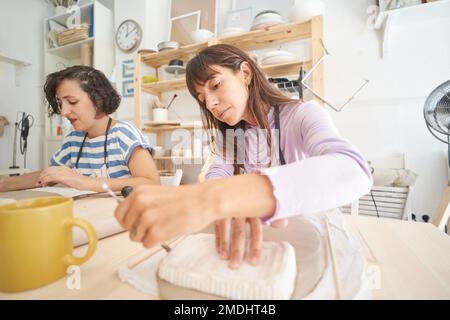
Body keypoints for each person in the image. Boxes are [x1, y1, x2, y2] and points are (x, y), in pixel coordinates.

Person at [114, 44, 373, 269]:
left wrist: (220, 198)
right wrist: (219, 198)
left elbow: (353, 170)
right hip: (266, 239)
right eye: (202, 99)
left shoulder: (303, 114)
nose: (211, 104)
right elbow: (219, 171)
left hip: (312, 239)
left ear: (245, 73)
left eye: (216, 85)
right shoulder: (233, 135)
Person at [0, 65, 159, 192]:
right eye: (61, 104)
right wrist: (5, 184)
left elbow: (151, 182)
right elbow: (49, 175)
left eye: (73, 102)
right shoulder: (73, 139)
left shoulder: (124, 135)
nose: (63, 112)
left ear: (99, 100)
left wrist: (86, 182)